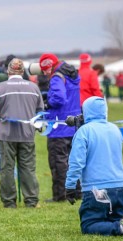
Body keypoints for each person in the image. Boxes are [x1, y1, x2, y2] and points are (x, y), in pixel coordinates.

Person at [65, 96, 123, 236]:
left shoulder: (84, 132)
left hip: (96, 189)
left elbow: (76, 162)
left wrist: (70, 186)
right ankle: (122, 223)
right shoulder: (115, 129)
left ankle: (121, 228)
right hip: (119, 187)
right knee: (113, 218)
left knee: (89, 225)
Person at [0, 58, 43, 208]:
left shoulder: (0, 88)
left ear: (8, 71)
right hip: (27, 134)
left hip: (6, 135)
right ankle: (31, 200)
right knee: (28, 167)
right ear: (23, 71)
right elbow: (40, 112)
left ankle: (9, 201)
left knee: (7, 168)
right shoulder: (34, 88)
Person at [38, 53, 82, 202]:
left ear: (48, 66)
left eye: (44, 69)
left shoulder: (57, 77)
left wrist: (47, 102)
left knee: (58, 162)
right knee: (73, 161)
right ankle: (76, 191)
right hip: (73, 125)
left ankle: (60, 195)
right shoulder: (72, 75)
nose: (44, 73)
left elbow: (59, 98)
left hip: (58, 127)